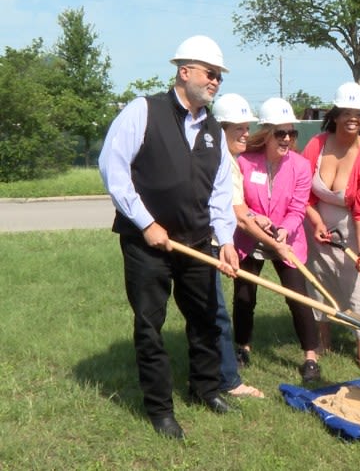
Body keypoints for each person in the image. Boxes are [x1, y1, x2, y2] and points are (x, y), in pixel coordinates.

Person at [98, 35, 238, 440]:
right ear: (185, 71)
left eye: (219, 77)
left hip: (196, 242)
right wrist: (145, 222)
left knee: (205, 317)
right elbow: (113, 168)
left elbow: (221, 192)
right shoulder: (143, 110)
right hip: (147, 245)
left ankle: (206, 387)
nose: (215, 82)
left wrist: (225, 240)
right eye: (210, 74)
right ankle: (160, 409)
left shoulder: (213, 129)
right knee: (150, 324)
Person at [231, 97, 322, 382]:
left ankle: (310, 357)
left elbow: (298, 207)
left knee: (298, 298)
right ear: (266, 133)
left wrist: (285, 230)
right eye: (280, 133)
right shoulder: (245, 162)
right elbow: (239, 202)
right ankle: (242, 347)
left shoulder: (300, 166)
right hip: (250, 238)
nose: (287, 139)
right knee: (244, 296)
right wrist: (257, 219)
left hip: (287, 240)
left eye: (291, 133)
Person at [301, 82, 360, 369]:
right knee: (320, 276)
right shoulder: (316, 144)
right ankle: (323, 338)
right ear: (335, 115)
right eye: (347, 112)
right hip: (318, 219)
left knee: (359, 282)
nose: (353, 118)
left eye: (358, 113)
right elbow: (303, 191)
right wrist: (315, 222)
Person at [209, 93, 270, 399]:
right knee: (215, 313)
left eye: (247, 127)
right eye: (239, 129)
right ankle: (228, 381)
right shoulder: (221, 159)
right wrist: (276, 245)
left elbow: (240, 208)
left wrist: (258, 217)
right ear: (221, 129)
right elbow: (235, 213)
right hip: (207, 244)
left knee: (207, 313)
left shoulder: (226, 159)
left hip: (215, 241)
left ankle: (208, 376)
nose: (246, 133)